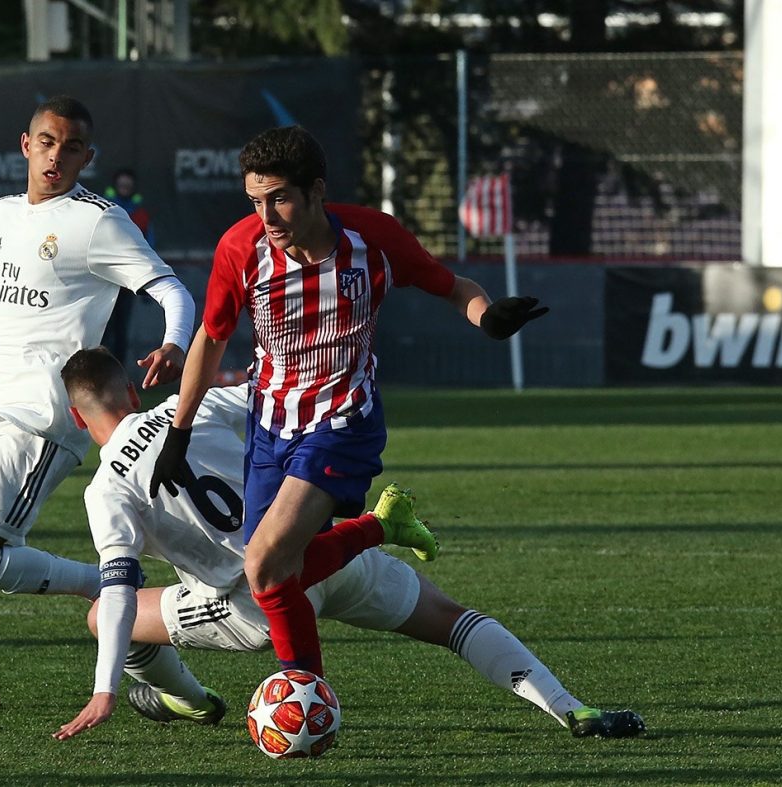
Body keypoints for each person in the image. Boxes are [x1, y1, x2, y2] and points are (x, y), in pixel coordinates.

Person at [53, 347, 643, 740]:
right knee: (452, 620)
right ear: (131, 392)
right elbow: (275, 392)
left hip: (254, 603)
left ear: (81, 421)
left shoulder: (106, 491)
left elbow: (122, 592)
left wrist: (104, 690)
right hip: (325, 549)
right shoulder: (194, 407)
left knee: (103, 615)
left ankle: (187, 699)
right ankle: (570, 707)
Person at [149, 125, 549, 678]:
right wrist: (179, 431)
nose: (267, 217)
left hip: (343, 420)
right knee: (270, 578)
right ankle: (321, 662)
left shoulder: (374, 238)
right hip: (270, 424)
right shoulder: (241, 248)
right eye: (256, 201)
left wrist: (488, 317)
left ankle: (306, 694)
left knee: (265, 563)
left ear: (316, 192)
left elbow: (453, 286)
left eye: (280, 199)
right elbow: (211, 340)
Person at [0, 95, 195, 711]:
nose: (57, 155)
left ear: (87, 156)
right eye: (47, 142)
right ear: (26, 145)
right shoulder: (1, 213)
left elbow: (171, 289)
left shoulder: (100, 222)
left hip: (46, 419)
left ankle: (104, 585)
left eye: (71, 146)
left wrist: (175, 344)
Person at [101, 168, 154, 366]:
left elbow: (148, 246)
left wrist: (149, 282)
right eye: (122, 184)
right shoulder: (105, 208)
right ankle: (100, 376)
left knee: (121, 331)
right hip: (104, 281)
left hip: (128, 283)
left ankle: (119, 378)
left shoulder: (140, 214)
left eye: (128, 185)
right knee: (103, 330)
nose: (125, 188)